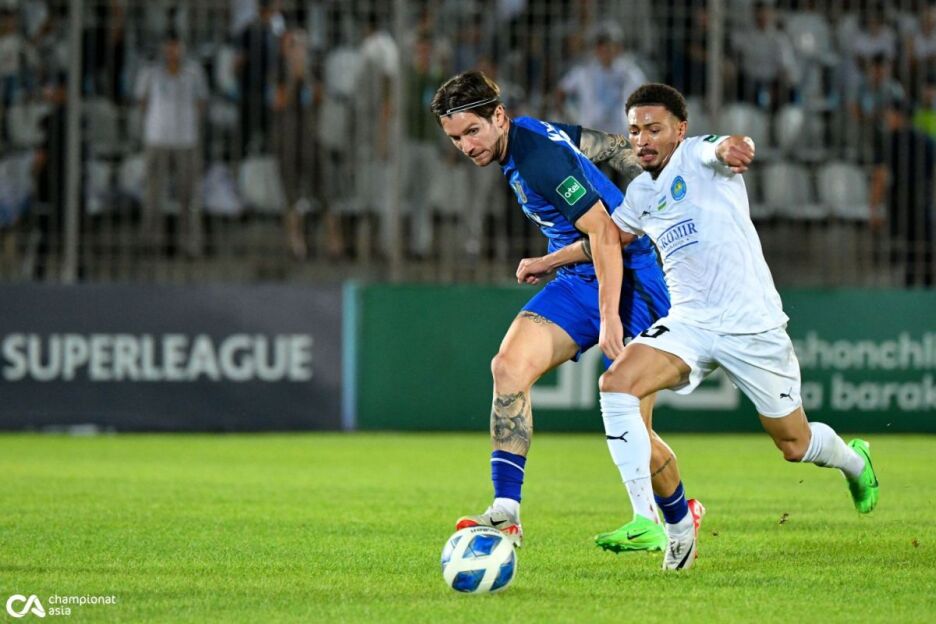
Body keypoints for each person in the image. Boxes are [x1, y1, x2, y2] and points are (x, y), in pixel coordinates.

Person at [548, 83, 880, 571]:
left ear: (680, 130)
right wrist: (547, 261)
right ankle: (662, 525)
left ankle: (854, 461)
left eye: (654, 129)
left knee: (794, 443)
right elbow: (609, 239)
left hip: (751, 325)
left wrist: (736, 146)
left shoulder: (699, 156)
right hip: (689, 322)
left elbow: (724, 146)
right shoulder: (640, 192)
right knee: (617, 384)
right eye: (635, 131)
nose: (642, 140)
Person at [430, 71, 703, 555]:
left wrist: (610, 318)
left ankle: (679, 516)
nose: (466, 147)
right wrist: (648, 178)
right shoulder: (533, 133)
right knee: (509, 366)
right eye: (455, 138)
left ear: (498, 116)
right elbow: (605, 145)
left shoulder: (537, 159)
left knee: (633, 426)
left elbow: (607, 236)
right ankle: (506, 512)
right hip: (579, 277)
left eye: (472, 131)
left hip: (630, 279)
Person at [134, 32, 208, 257]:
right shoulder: (150, 72)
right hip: (157, 138)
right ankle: (151, 242)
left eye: (176, 47)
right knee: (153, 194)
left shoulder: (194, 72)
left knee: (189, 195)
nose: (172, 52)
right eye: (169, 47)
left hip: (186, 139)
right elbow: (142, 101)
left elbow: (201, 102)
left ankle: (190, 244)